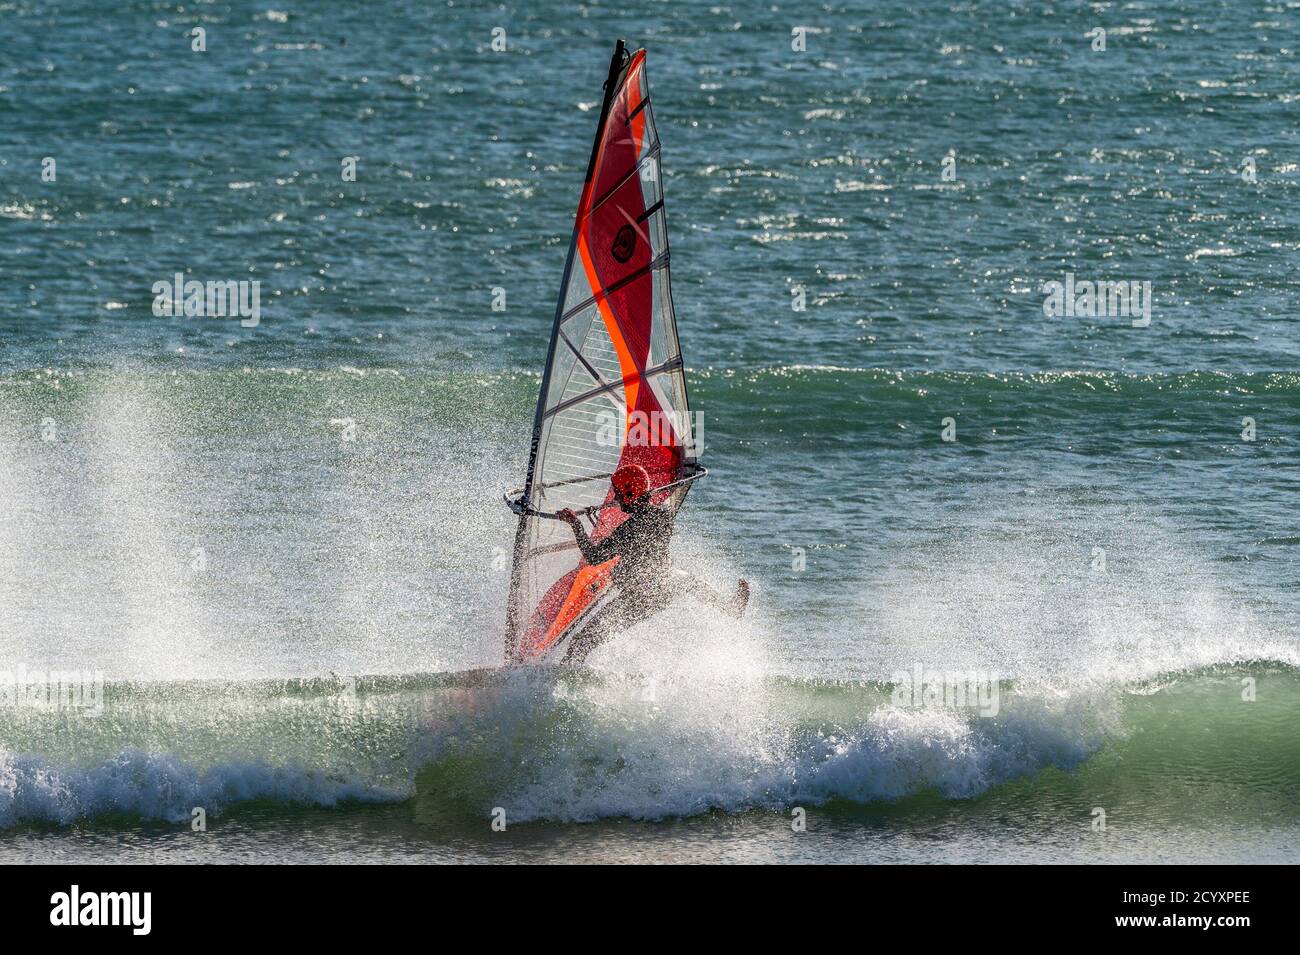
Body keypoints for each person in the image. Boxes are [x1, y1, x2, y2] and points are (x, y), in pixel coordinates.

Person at [555, 463, 748, 663]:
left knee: (581, 643)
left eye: (619, 494)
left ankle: (563, 686)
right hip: (666, 583)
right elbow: (652, 508)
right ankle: (729, 607)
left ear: (630, 494)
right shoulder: (663, 515)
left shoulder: (630, 529)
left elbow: (594, 556)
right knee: (689, 581)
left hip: (639, 597)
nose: (615, 499)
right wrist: (640, 497)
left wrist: (576, 524)